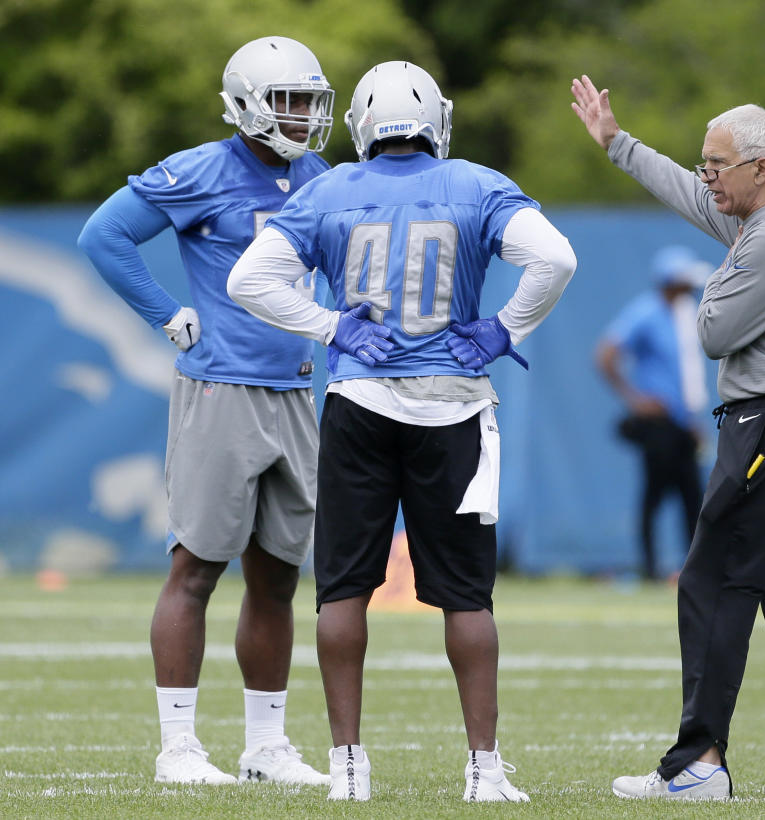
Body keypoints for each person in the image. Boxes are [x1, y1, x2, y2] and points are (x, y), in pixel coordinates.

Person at [228, 60, 576, 802]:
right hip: (453, 406)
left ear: (360, 124)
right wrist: (504, 327)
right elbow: (555, 258)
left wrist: (331, 327)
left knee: (343, 590)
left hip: (359, 405)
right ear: (435, 122)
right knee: (468, 597)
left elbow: (248, 281)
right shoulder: (477, 185)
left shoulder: (327, 190)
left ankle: (348, 768)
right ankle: (484, 771)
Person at [572, 76, 765, 801]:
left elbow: (710, 333)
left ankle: (698, 765)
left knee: (710, 581)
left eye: (718, 164)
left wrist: (710, 280)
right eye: (704, 162)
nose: (706, 178)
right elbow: (687, 195)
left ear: (762, 168)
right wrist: (618, 144)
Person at [76, 36, 340, 786]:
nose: (301, 116)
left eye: (310, 102)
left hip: (294, 391)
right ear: (248, 102)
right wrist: (165, 312)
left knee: (279, 576)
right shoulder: (200, 168)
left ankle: (266, 746)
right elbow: (105, 234)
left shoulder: (318, 176)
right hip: (221, 389)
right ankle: (180, 748)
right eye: (287, 100)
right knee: (196, 568)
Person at [596, 245, 710, 581]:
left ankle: (694, 570)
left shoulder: (687, 315)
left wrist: (694, 419)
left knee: (694, 497)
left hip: (684, 425)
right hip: (658, 423)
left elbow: (687, 376)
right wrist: (635, 399)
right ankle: (650, 569)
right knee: (655, 495)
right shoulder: (646, 312)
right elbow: (605, 354)